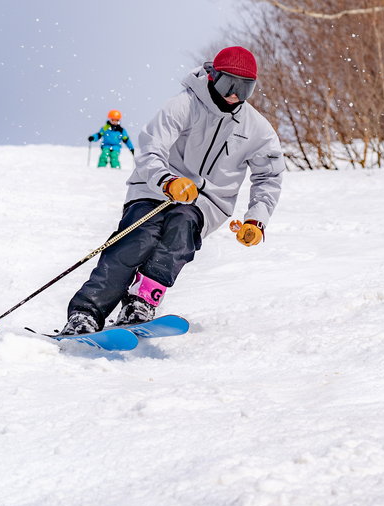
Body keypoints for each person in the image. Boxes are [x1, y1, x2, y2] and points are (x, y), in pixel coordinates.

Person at [61, 46, 284, 333]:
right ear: (213, 76)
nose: (234, 96)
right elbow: (151, 148)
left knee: (181, 231)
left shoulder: (257, 129)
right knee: (137, 239)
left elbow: (269, 176)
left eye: (245, 89)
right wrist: (167, 180)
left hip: (205, 203)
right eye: (230, 84)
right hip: (155, 190)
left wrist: (257, 218)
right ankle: (86, 313)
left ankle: (142, 301)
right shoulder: (184, 105)